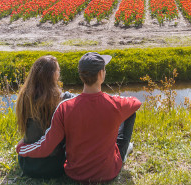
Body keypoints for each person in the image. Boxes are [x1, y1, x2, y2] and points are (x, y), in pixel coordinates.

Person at [17, 52, 142, 183]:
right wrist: (115, 99)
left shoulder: (64, 107)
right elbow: (136, 103)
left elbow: (47, 145)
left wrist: (21, 147)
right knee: (130, 113)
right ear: (101, 74)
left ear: (81, 75)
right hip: (108, 172)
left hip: (75, 174)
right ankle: (124, 150)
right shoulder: (115, 103)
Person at [15, 55, 75, 178]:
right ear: (53, 75)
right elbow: (85, 99)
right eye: (58, 71)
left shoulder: (24, 97)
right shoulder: (62, 98)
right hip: (55, 166)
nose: (59, 74)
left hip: (27, 164)